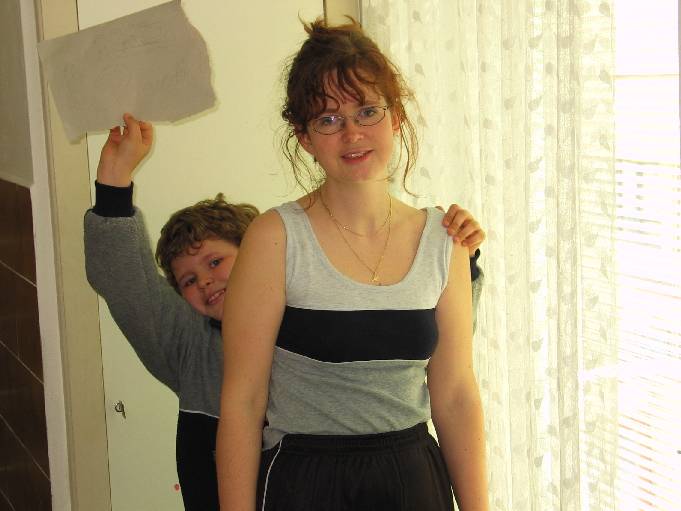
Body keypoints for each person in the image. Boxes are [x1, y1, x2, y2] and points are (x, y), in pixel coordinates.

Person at [84, 114, 486, 510]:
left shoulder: (307, 329)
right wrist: (113, 185)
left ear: (255, 258)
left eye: (215, 262)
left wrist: (456, 258)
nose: (205, 282)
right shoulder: (189, 347)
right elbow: (126, 284)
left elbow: (427, 341)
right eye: (187, 280)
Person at [217, 17, 489, 511]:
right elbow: (243, 402)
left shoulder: (444, 239)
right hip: (305, 481)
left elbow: (454, 395)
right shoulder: (275, 238)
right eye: (328, 119)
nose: (352, 134)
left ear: (396, 117)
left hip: (413, 479)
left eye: (367, 111)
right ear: (304, 137)